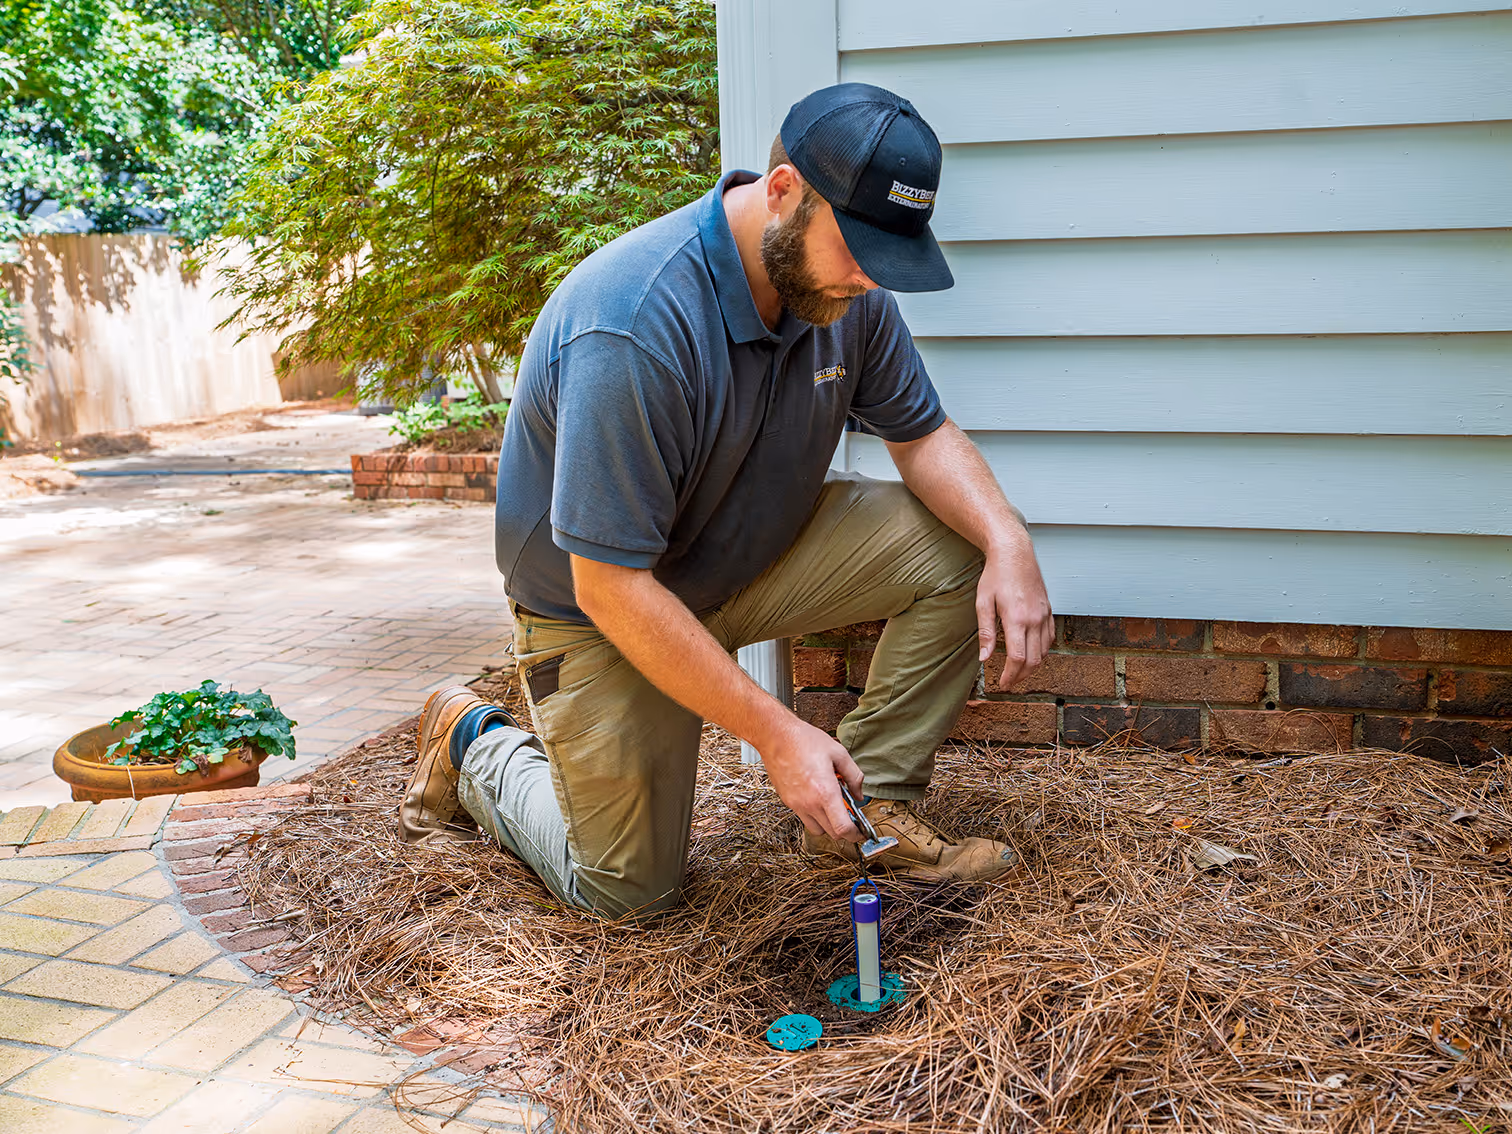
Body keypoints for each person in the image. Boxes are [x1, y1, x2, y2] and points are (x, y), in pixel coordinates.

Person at [398, 83, 1054, 921]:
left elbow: (920, 434)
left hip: (746, 557)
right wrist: (778, 734)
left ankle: (864, 815)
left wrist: (1009, 538)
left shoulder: (846, 294)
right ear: (781, 191)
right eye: (855, 248)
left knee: (962, 546)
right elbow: (609, 585)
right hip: (603, 608)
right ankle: (473, 742)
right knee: (628, 894)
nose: (867, 278)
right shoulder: (633, 324)